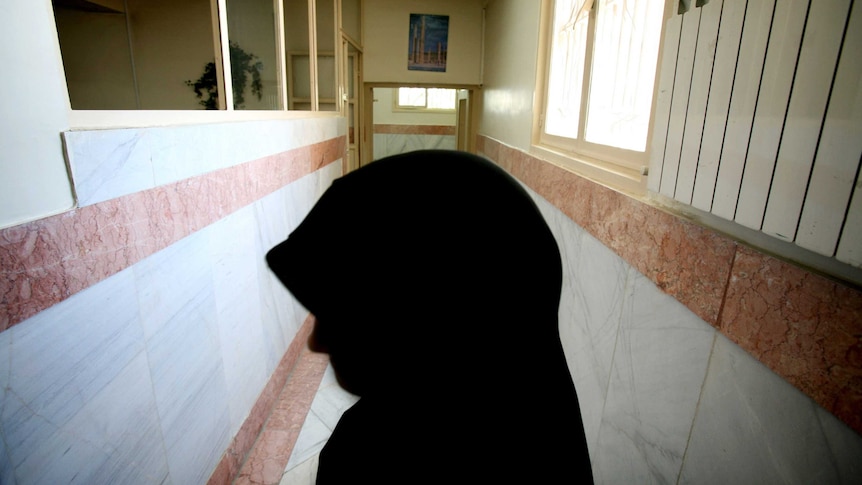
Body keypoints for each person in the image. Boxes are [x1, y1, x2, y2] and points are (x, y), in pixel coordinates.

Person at [266, 150, 593, 484]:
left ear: (433, 318)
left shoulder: (369, 457)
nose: (316, 342)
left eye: (349, 312)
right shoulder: (549, 435)